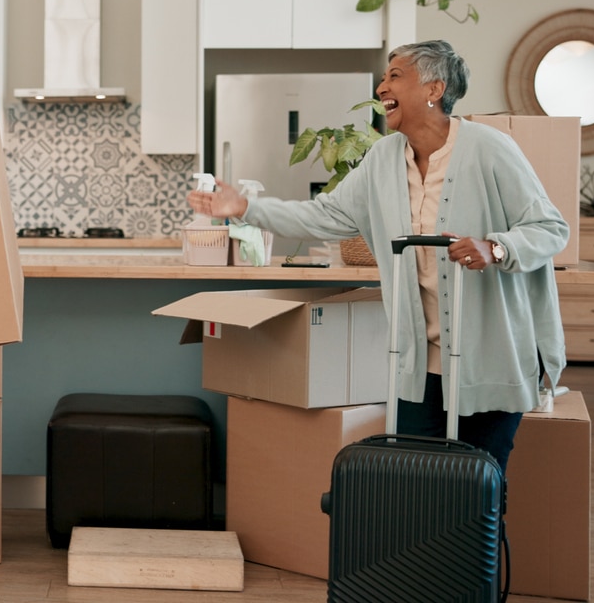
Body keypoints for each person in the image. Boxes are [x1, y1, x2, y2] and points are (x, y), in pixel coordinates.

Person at [189, 40, 567, 474]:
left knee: (477, 489)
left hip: (492, 356)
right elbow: (326, 214)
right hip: (419, 368)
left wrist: (495, 247)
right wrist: (246, 209)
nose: (381, 85)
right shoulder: (382, 159)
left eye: (395, 76)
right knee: (417, 489)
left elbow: (550, 228)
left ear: (434, 89)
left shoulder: (489, 148)